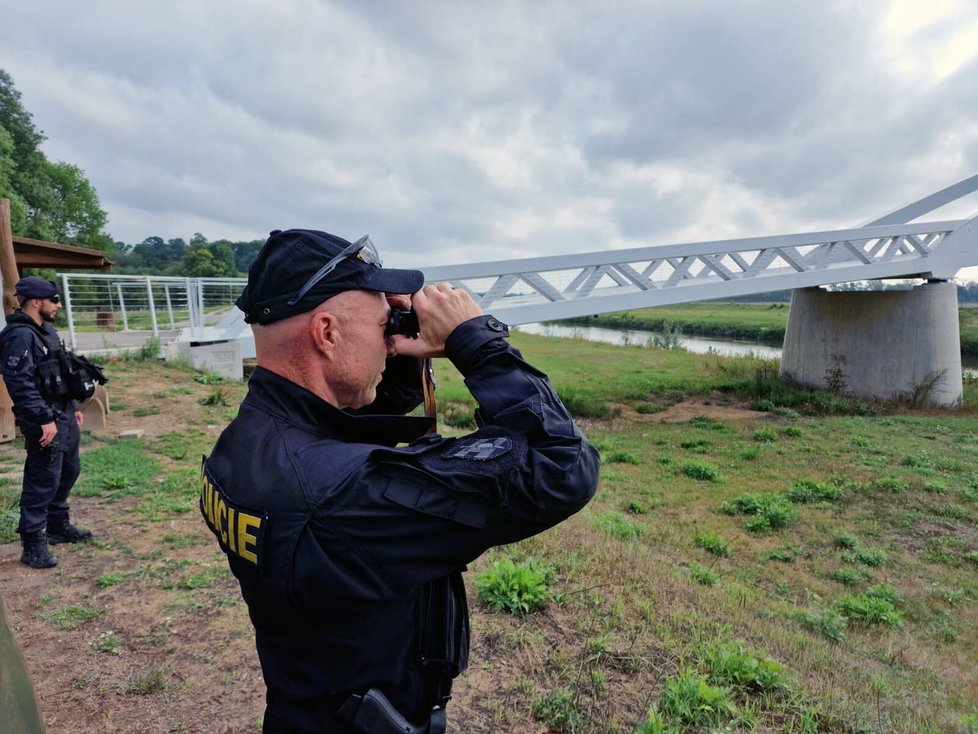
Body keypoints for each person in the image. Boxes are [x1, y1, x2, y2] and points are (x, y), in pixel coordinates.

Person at [201, 229, 599, 734]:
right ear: (327, 333)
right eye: (381, 327)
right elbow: (562, 467)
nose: (389, 344)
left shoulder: (245, 443)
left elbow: (348, 423)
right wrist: (476, 342)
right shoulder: (339, 495)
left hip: (304, 706)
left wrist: (398, 354)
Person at [0, 276, 91, 570]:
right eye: (54, 300)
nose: (58, 305)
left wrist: (73, 406)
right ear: (36, 302)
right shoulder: (19, 336)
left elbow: (62, 370)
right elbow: (19, 382)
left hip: (62, 412)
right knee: (42, 479)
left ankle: (57, 525)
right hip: (43, 417)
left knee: (68, 469)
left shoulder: (46, 331)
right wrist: (43, 419)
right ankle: (32, 543)